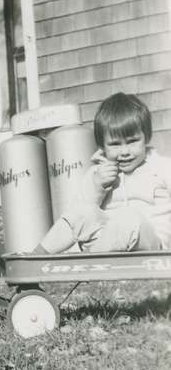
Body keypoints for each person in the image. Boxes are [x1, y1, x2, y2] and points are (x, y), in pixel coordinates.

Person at [35, 92, 171, 254]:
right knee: (83, 211)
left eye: (132, 141)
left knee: (129, 218)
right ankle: (36, 258)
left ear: (146, 137)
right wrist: (98, 185)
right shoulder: (97, 173)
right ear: (102, 146)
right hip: (105, 244)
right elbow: (78, 215)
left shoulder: (161, 166)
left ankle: (88, 264)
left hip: (150, 244)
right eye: (115, 144)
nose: (125, 151)